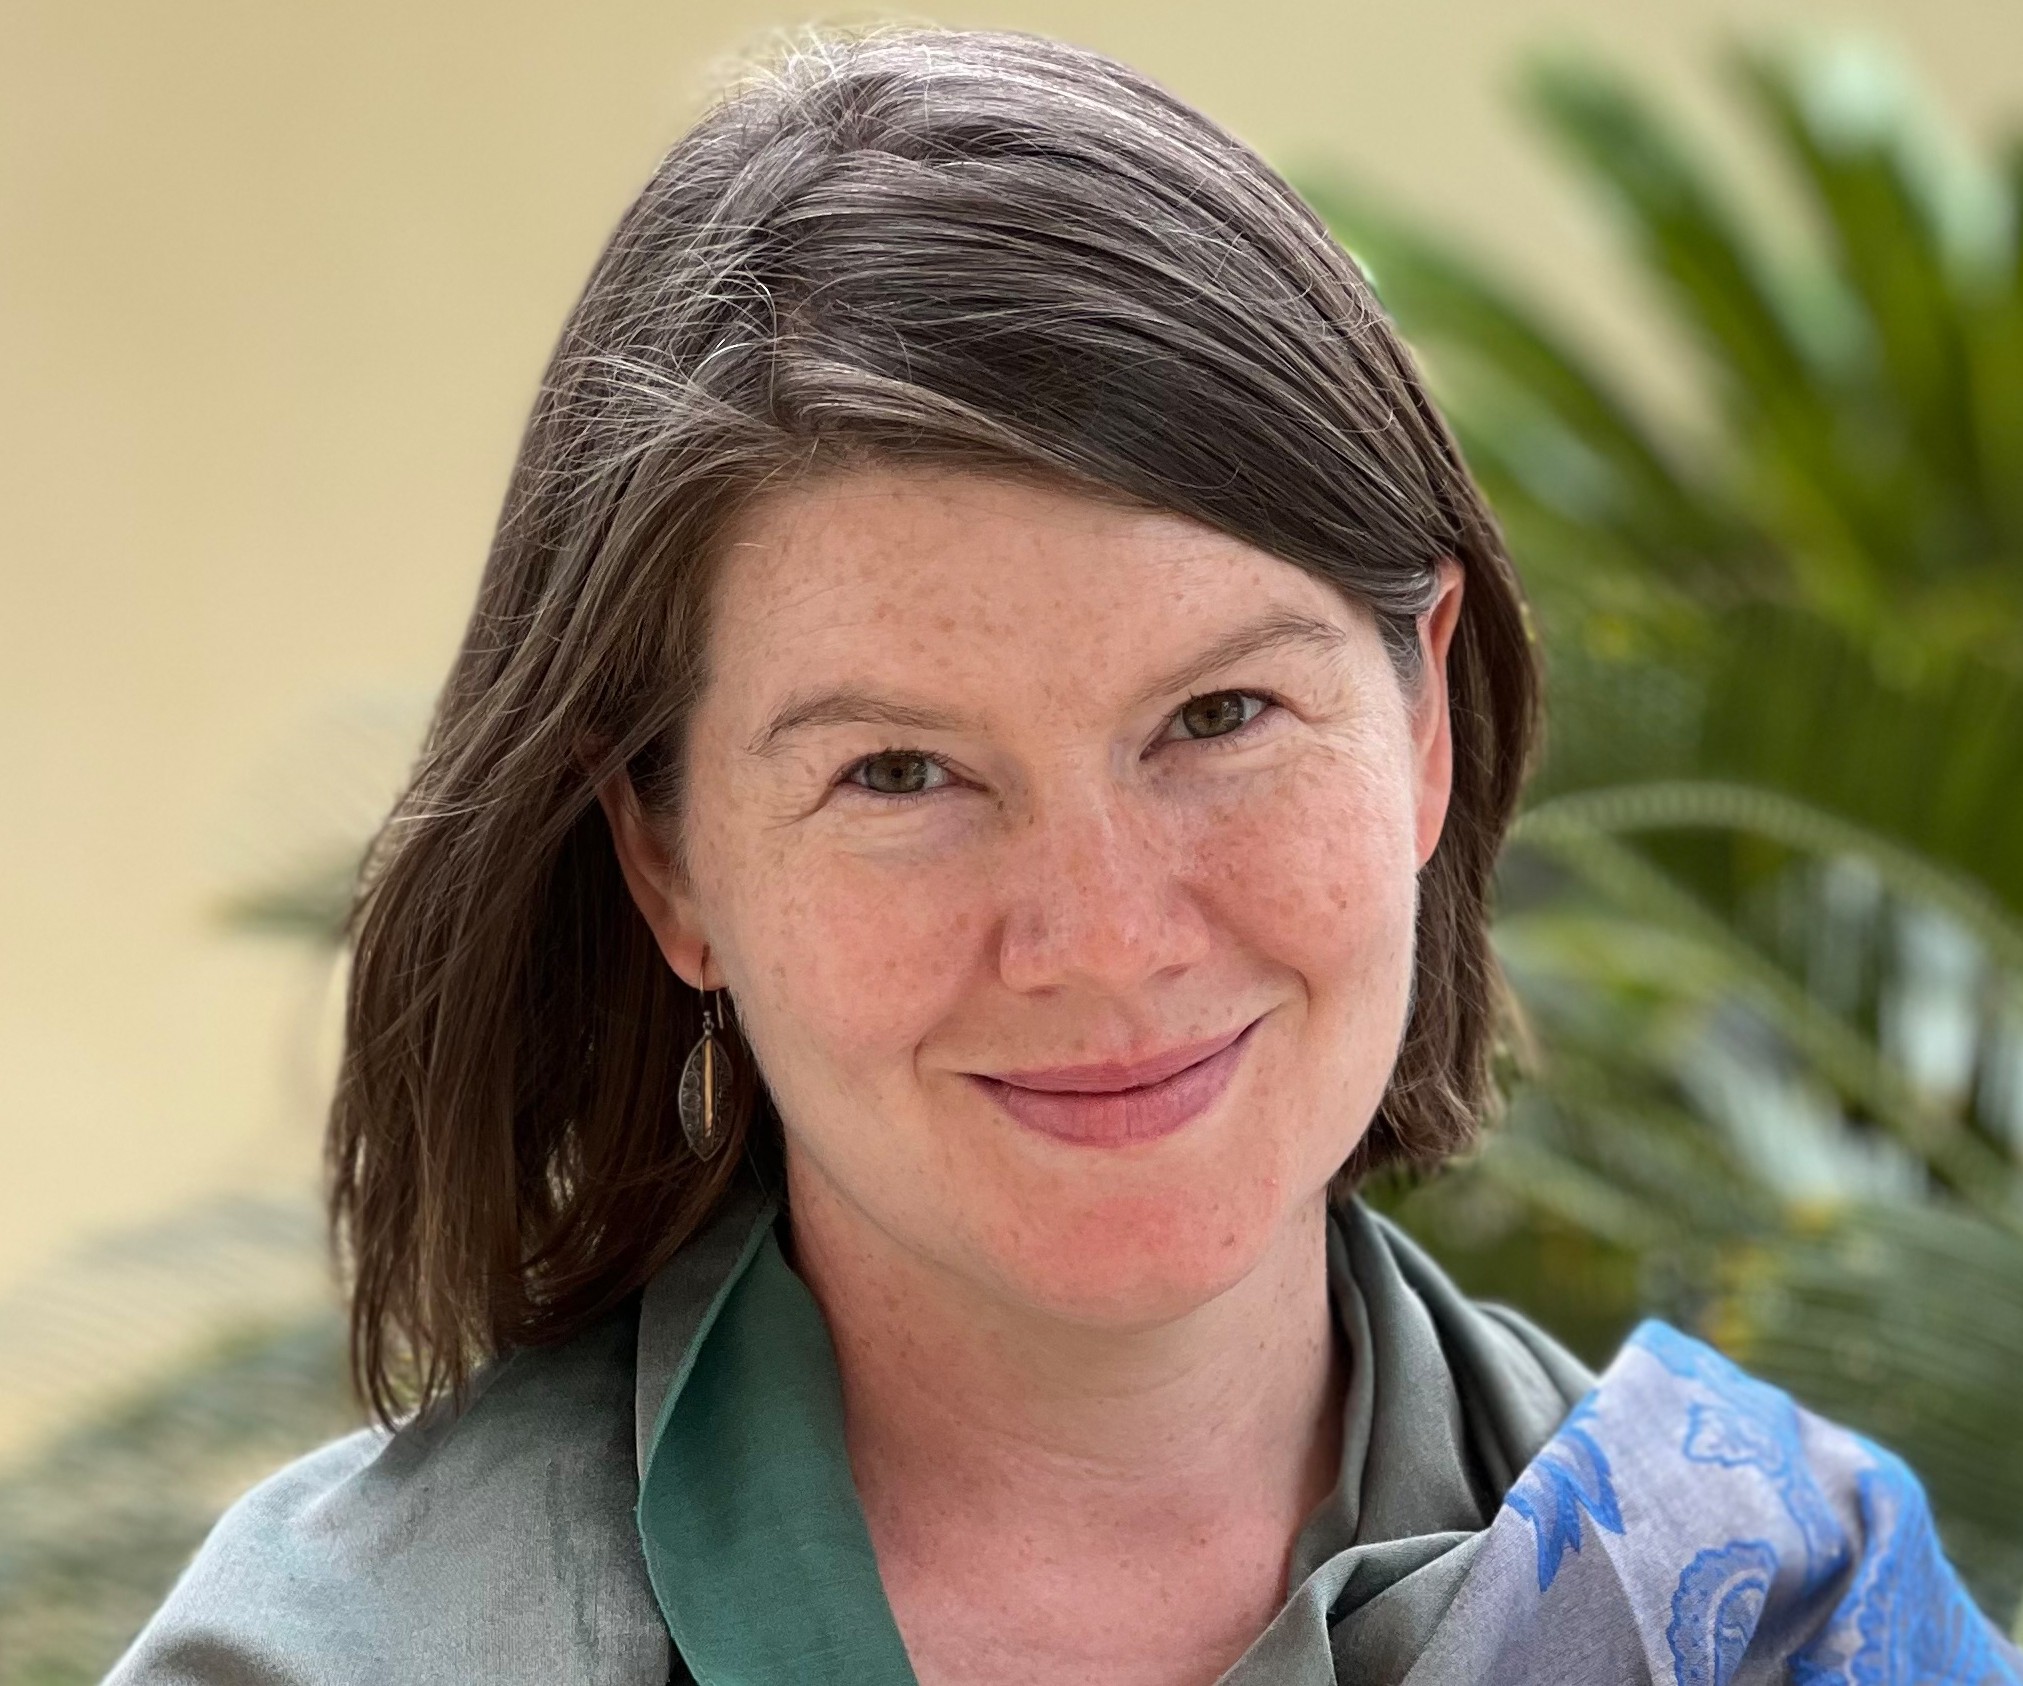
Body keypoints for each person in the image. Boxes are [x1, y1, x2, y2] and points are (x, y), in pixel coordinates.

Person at [109, 27, 2019, 1686]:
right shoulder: (355, 1657)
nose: (1103, 939)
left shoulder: (1797, 1621)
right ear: (669, 858)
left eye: (1217, 720)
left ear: (1423, 723)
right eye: (902, 772)